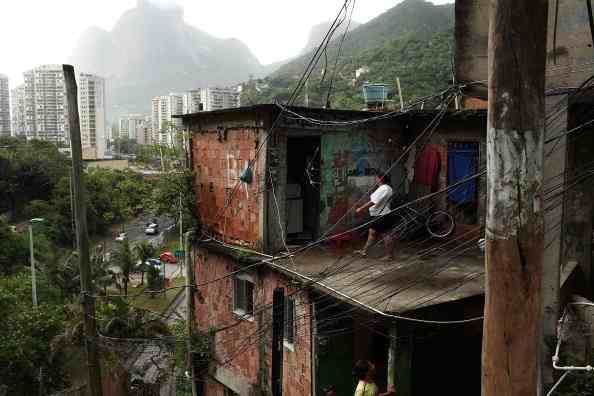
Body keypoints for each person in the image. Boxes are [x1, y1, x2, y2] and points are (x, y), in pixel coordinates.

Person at [355, 173, 395, 261]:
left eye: (376, 178)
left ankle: (389, 256)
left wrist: (361, 209)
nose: (375, 180)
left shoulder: (384, 188)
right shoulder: (385, 188)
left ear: (380, 179)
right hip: (377, 214)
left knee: (386, 235)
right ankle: (364, 251)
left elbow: (373, 202)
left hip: (382, 215)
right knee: (372, 233)